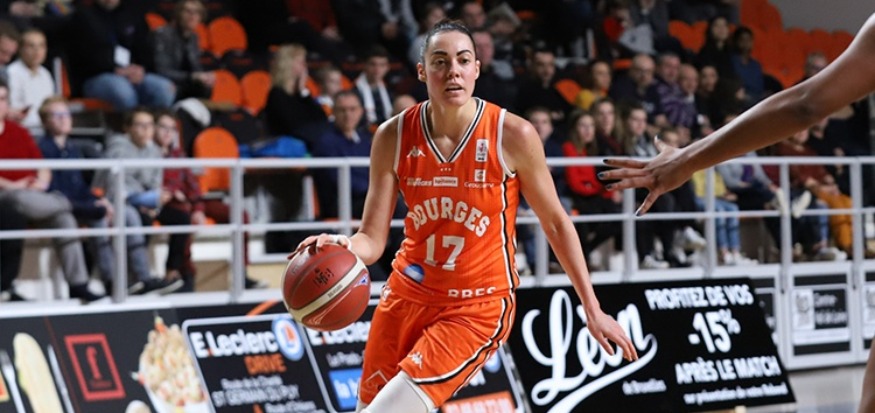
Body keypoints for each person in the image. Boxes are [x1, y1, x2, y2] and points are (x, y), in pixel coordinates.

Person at [294, 20, 637, 413]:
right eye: (440, 61)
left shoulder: (513, 134)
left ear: (477, 68)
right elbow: (371, 239)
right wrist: (344, 246)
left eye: (462, 60)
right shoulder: (393, 135)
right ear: (422, 71)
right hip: (406, 295)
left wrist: (592, 308)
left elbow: (556, 223)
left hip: (477, 306)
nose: (452, 71)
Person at [0, 80, 104, 302]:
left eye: (3, 99)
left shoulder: (19, 132)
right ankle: (75, 205)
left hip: (34, 195)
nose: (1, 104)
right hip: (8, 193)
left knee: (64, 219)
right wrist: (15, 185)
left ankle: (78, 284)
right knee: (19, 199)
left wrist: (41, 182)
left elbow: (42, 167)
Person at [151, 0, 215, 100]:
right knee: (167, 88)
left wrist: (205, 77)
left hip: (184, 82)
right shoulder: (163, 34)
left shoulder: (194, 38)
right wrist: (192, 76)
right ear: (178, 14)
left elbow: (195, 67)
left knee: (205, 87)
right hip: (165, 81)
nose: (192, 16)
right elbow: (162, 70)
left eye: (197, 12)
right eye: (188, 11)